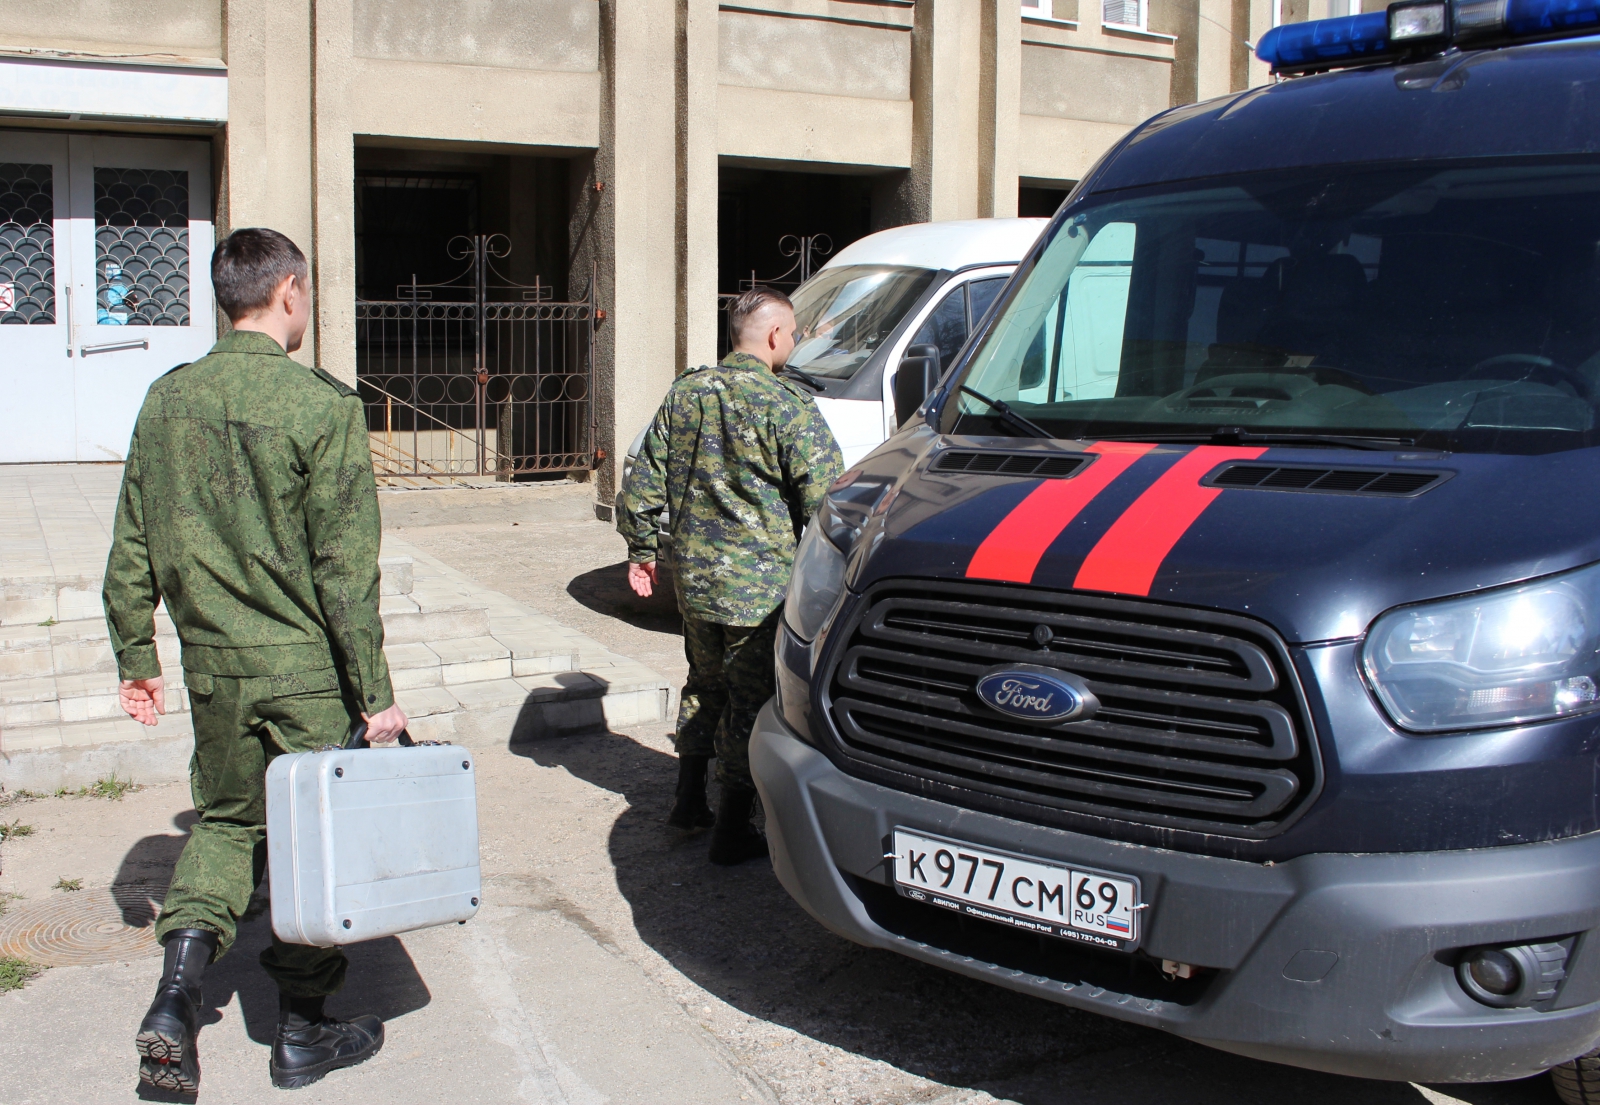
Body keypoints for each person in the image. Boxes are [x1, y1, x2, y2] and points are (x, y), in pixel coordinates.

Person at [103, 228, 407, 1093]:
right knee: (312, 843)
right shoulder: (322, 405)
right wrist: (375, 692)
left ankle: (175, 999)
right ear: (290, 292)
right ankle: (302, 1032)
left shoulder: (167, 398)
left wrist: (137, 651)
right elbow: (345, 569)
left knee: (228, 824)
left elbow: (132, 541)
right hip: (305, 671)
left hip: (215, 668)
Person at [618, 286, 844, 865]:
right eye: (793, 332)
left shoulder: (686, 391)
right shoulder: (786, 405)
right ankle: (731, 829)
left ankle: (688, 800)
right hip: (758, 593)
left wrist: (641, 548)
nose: (794, 341)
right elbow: (827, 500)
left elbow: (643, 480)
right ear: (775, 336)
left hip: (694, 582)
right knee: (750, 699)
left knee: (703, 684)